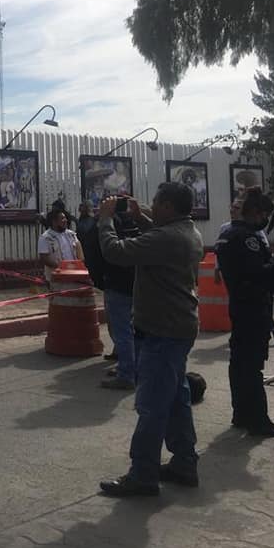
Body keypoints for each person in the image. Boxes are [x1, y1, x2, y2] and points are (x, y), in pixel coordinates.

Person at [96, 183, 204, 497]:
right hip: (177, 328)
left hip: (162, 332)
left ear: (168, 206)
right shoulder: (188, 231)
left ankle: (142, 474)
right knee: (176, 401)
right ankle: (185, 461)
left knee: (152, 406)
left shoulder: (167, 237)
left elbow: (115, 252)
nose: (150, 207)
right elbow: (157, 237)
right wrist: (140, 217)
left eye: (155, 203)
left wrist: (106, 219)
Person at [215, 189, 274, 437]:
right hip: (254, 307)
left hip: (240, 305)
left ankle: (241, 413)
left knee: (239, 363)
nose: (266, 218)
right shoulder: (248, 239)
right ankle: (259, 421)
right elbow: (261, 275)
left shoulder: (228, 235)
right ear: (256, 213)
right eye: (265, 213)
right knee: (253, 366)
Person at [80, 211, 139, 390]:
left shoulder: (105, 231)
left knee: (122, 331)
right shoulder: (137, 229)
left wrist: (100, 281)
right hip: (137, 285)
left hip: (116, 284)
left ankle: (127, 373)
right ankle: (132, 366)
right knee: (134, 329)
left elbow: (94, 255)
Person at [220, 199, 274, 348]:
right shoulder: (244, 236)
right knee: (250, 358)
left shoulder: (242, 233)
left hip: (243, 304)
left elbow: (263, 255)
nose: (264, 219)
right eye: (262, 214)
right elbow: (259, 272)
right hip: (251, 304)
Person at [37, 208, 84, 288]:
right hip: (56, 279)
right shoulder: (45, 238)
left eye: (65, 218)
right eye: (62, 218)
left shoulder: (71, 235)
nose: (65, 220)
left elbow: (80, 254)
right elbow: (45, 259)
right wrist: (63, 268)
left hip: (75, 276)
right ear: (54, 222)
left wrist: (78, 268)